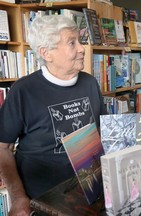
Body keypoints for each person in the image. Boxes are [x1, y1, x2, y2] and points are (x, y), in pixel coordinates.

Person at [0, 15, 107, 215]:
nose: (82, 48)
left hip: (91, 190)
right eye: (72, 43)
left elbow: (103, 131)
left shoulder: (90, 83)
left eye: (80, 41)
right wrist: (18, 196)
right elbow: (2, 148)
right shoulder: (24, 91)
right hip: (45, 200)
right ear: (46, 53)